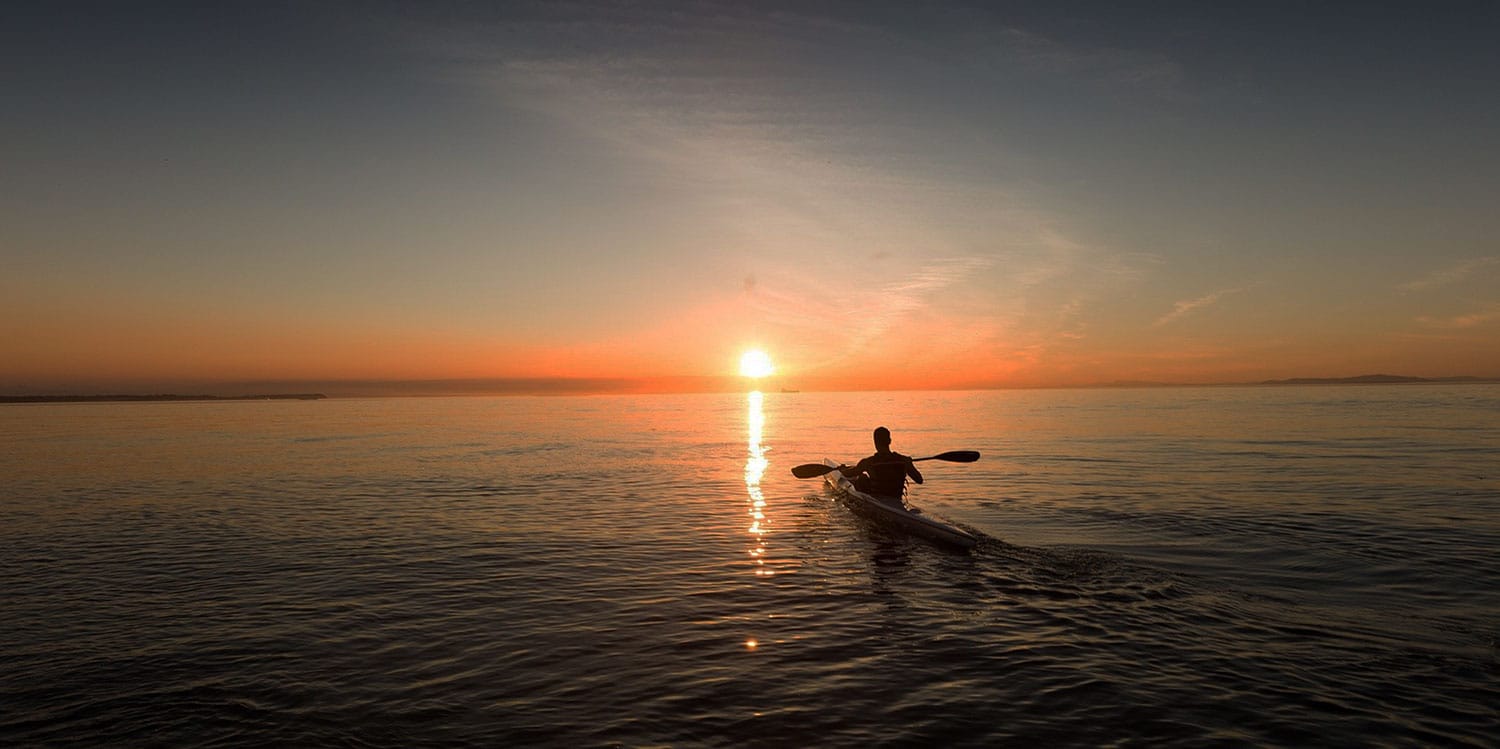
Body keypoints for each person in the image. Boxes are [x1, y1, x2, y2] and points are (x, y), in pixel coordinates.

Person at [839, 426, 922, 500]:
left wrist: (841, 470)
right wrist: (910, 465)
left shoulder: (868, 462)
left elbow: (849, 474)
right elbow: (919, 480)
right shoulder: (903, 460)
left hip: (877, 499)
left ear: (875, 442)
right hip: (896, 498)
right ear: (889, 441)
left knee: (862, 477)